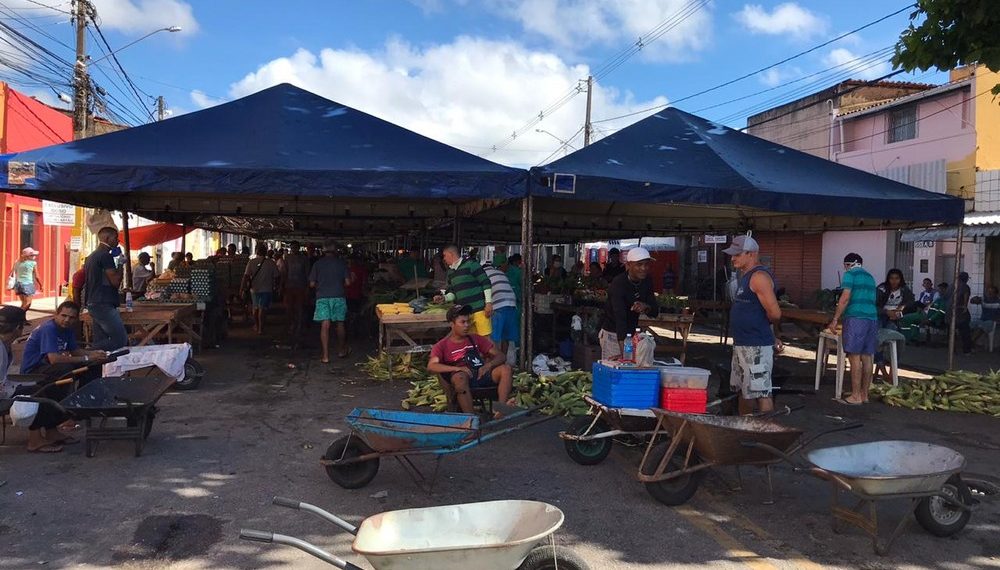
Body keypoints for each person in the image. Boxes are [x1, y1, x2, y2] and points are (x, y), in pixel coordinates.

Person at [0, 306, 76, 453]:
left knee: (41, 387)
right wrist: (16, 389)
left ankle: (51, 431)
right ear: (18, 327)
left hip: (5, 388)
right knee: (36, 394)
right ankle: (35, 441)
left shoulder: (5, 345)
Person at [724, 235, 781, 415]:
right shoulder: (745, 276)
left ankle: (768, 433)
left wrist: (770, 333)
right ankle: (745, 428)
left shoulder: (759, 277)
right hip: (742, 343)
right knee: (744, 390)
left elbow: (775, 313)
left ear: (751, 254)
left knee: (761, 391)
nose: (732, 258)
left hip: (756, 345)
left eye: (737, 254)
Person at [427, 305, 514, 416]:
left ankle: (501, 410)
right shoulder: (442, 345)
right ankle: (471, 418)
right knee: (460, 377)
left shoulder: (475, 339)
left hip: (481, 374)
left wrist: (489, 365)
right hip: (462, 378)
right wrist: (456, 368)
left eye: (468, 322)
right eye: (462, 322)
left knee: (506, 369)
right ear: (452, 324)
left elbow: (501, 356)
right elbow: (432, 366)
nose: (467, 325)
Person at [827, 253, 878, 405]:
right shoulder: (870, 276)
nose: (844, 268)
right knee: (867, 357)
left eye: (845, 265)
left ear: (849, 264)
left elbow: (845, 298)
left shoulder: (850, 274)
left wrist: (835, 318)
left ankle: (855, 396)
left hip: (856, 318)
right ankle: (864, 394)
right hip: (872, 318)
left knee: (854, 356)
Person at [598, 247, 659, 364]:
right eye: (639, 265)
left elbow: (655, 311)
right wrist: (625, 355)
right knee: (617, 371)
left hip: (632, 335)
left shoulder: (647, 281)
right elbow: (620, 318)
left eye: (646, 265)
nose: (644, 268)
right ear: (629, 265)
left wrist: (645, 307)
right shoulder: (618, 284)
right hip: (613, 334)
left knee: (634, 368)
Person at [20, 301, 106, 381]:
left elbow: (75, 351)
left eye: (71, 317)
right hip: (34, 370)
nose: (67, 320)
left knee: (94, 364)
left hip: (48, 366)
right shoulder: (49, 329)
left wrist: (95, 354)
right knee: (66, 369)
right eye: (64, 316)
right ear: (56, 315)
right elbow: (54, 359)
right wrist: (86, 358)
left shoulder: (68, 329)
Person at [433, 245, 493, 337]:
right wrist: (444, 298)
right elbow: (453, 292)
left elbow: (485, 282)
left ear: (450, 254)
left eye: (444, 256)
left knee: (485, 341)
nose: (444, 259)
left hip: (479, 310)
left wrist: (488, 303)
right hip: (465, 314)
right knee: (470, 341)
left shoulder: (471, 264)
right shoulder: (450, 273)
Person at [84, 226, 127, 351]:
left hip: (94, 302)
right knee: (120, 340)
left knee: (101, 341)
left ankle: (97, 368)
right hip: (103, 303)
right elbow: (115, 282)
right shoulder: (105, 256)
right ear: (107, 238)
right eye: (115, 238)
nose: (118, 241)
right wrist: (120, 264)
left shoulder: (92, 257)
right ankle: (84, 353)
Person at [309, 240, 352, 362]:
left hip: (322, 297)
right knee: (340, 323)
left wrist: (321, 286)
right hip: (339, 296)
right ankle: (341, 350)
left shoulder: (317, 264)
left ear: (323, 251)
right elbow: (348, 283)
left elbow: (311, 284)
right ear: (336, 251)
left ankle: (325, 356)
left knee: (325, 325)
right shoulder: (341, 264)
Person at [483, 259, 518, 359]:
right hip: (511, 303)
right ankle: (504, 359)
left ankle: (495, 360)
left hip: (498, 305)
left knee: (494, 337)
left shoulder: (482, 275)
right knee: (506, 336)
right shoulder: (500, 273)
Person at [242, 244, 280, 335]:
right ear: (266, 252)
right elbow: (277, 276)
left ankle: (256, 325)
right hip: (267, 289)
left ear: (256, 252)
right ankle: (261, 328)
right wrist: (276, 286)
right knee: (262, 308)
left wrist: (242, 288)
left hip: (254, 289)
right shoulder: (271, 262)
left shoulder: (251, 262)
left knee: (255, 308)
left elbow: (246, 276)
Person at [281, 241, 311, 338]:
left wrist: (307, 287)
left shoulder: (304, 259)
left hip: (300, 286)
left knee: (299, 307)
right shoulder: (287, 258)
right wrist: (282, 285)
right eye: (292, 248)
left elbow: (307, 274)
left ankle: (298, 325)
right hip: (289, 286)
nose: (293, 250)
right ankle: (292, 324)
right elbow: (284, 272)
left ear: (298, 248)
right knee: (289, 307)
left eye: (295, 248)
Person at [345, 253, 369, 336]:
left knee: (348, 313)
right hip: (356, 294)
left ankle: (349, 329)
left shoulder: (345, 269)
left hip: (348, 294)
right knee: (356, 313)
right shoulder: (361, 269)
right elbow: (365, 282)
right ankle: (354, 330)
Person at [953, 271, 973, 354]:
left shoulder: (952, 286)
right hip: (959, 311)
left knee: (951, 331)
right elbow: (965, 300)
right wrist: (964, 307)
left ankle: (952, 349)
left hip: (950, 312)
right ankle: (966, 350)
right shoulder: (965, 287)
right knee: (965, 331)